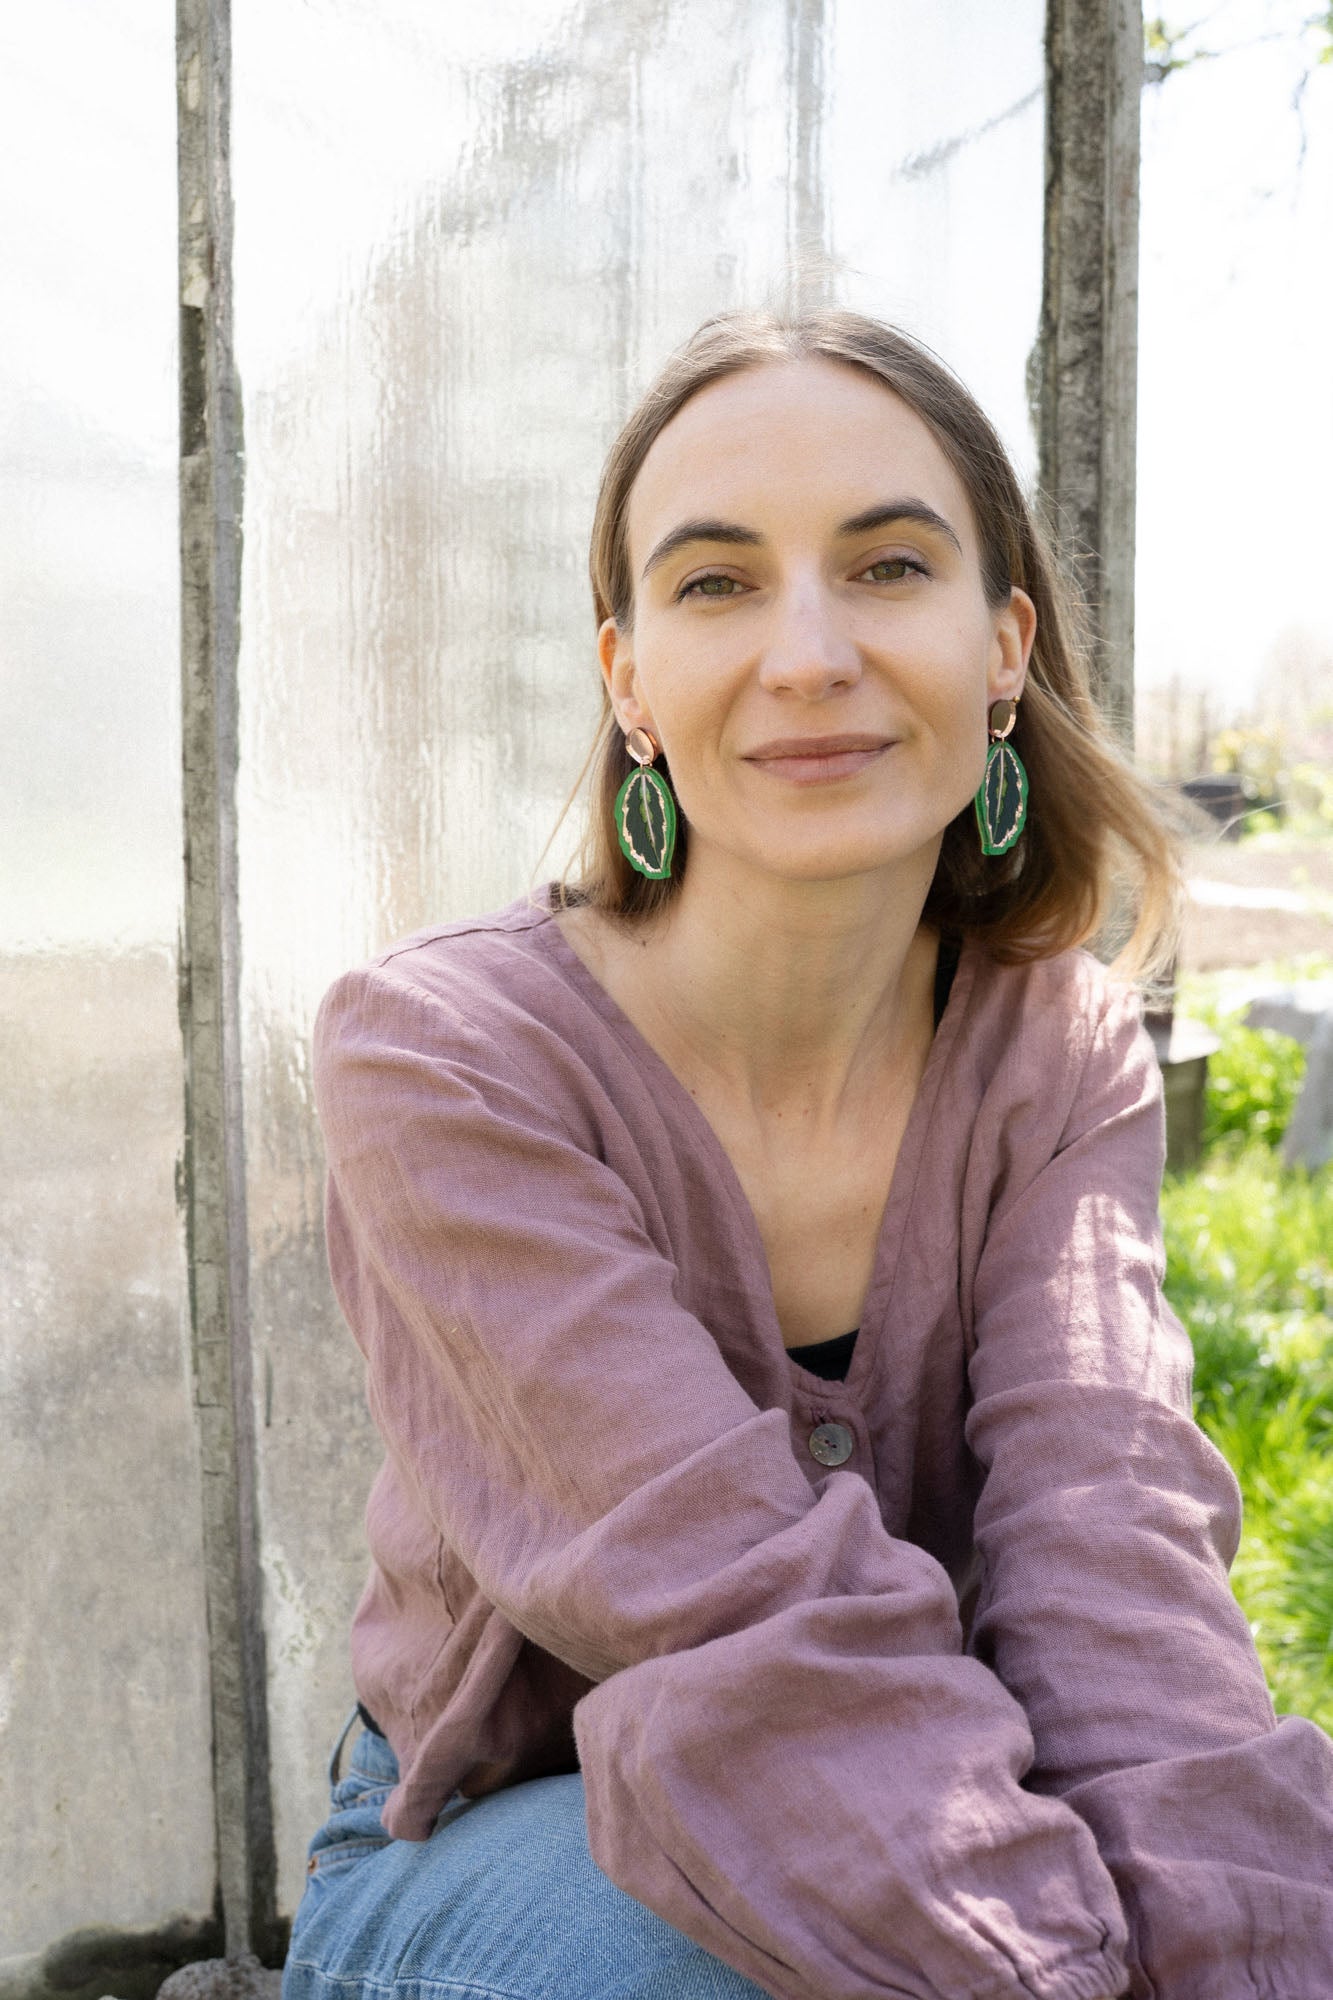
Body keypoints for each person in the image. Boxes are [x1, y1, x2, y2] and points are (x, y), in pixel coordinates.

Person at [283, 309, 1333, 2000]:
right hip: (521, 1834)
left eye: (887, 566)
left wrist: (1237, 1949)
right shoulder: (446, 1055)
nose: (809, 653)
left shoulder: (1053, 1050)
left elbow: (1105, 1541)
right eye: (714, 584)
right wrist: (1055, 1971)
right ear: (627, 677)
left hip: (950, 1780)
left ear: (1002, 645)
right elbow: (726, 1604)